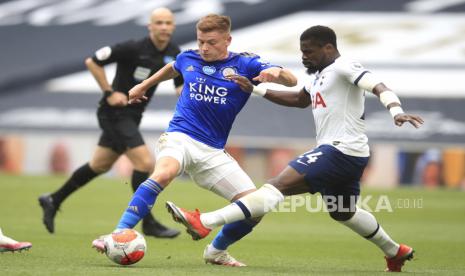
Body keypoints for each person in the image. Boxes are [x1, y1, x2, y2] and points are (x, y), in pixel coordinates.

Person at [165, 25, 424, 272]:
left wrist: (396, 111)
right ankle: (394, 251)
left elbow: (378, 86)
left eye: (308, 51)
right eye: (301, 52)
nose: (304, 57)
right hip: (350, 155)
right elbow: (300, 100)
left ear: (328, 47)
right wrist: (255, 89)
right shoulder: (319, 76)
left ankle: (205, 222)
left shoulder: (345, 66)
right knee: (343, 212)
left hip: (339, 150)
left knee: (275, 187)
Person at [92, 14, 298, 266]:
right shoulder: (189, 57)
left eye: (211, 42)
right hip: (180, 137)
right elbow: (173, 67)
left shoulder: (246, 64)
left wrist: (277, 72)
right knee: (163, 173)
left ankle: (216, 252)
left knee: (256, 208)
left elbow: (292, 80)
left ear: (227, 40)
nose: (204, 48)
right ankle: (116, 233)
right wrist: (144, 85)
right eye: (201, 41)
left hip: (213, 152)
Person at [38, 7, 182, 238]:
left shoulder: (174, 52)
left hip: (133, 117)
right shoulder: (133, 48)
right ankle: (148, 221)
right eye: (159, 23)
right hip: (114, 113)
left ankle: (53, 199)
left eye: (168, 23)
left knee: (99, 165)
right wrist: (109, 92)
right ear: (150, 26)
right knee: (145, 163)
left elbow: (180, 87)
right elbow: (92, 61)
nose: (164, 27)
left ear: (173, 26)